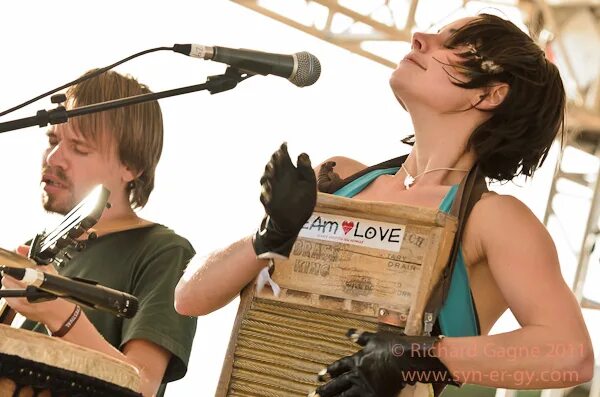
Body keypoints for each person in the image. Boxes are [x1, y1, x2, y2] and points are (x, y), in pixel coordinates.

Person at [174, 13, 594, 396]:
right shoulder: (338, 180)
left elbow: (571, 354)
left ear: (488, 95)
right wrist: (268, 236)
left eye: (454, 44)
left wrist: (419, 358)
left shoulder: (492, 219)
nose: (418, 38)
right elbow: (189, 298)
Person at [2, 70, 197, 397]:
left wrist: (60, 315)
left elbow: (142, 385)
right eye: (52, 140)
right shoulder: (31, 249)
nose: (53, 158)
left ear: (130, 167)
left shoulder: (163, 251)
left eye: (78, 148)